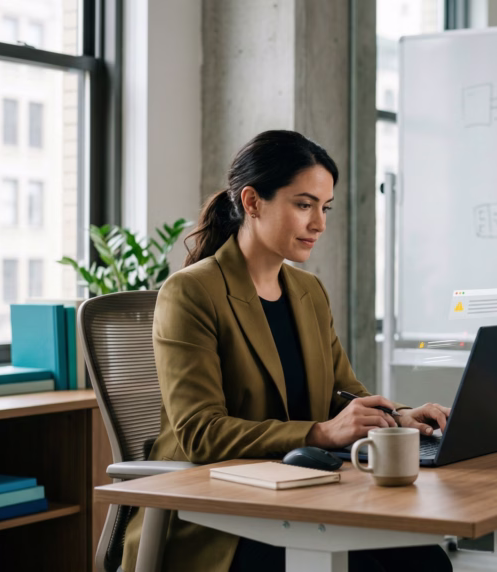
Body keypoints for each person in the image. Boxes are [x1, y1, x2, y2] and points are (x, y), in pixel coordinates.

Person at [120, 130, 453, 572]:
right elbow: (201, 433)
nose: (319, 224)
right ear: (253, 202)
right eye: (303, 205)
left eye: (325, 207)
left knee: (428, 563)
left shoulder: (308, 291)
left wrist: (399, 418)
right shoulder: (191, 292)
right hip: (214, 517)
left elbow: (343, 394)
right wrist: (319, 434)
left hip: (300, 496)